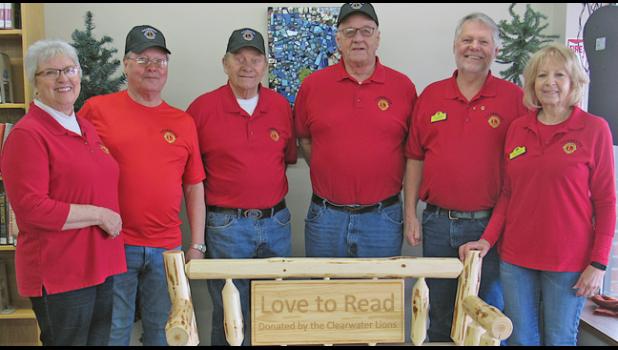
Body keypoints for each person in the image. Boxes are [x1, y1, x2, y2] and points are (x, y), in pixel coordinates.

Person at [460, 43, 616, 346]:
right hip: (516, 259)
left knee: (559, 339)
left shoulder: (595, 129)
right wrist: (487, 239)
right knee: (520, 339)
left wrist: (598, 264)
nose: (550, 82)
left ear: (574, 81)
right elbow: (508, 194)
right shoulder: (518, 128)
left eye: (559, 74)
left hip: (569, 261)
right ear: (532, 84)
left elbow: (607, 202)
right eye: (542, 75)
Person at [404, 13, 528, 342]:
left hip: (489, 228)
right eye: (467, 40)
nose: (474, 47)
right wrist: (409, 214)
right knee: (440, 313)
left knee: (486, 316)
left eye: (483, 41)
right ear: (455, 46)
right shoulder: (431, 96)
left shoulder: (514, 100)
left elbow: (524, 170)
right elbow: (415, 158)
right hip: (437, 223)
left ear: (496, 50)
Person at [79, 25, 206, 346]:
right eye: (142, 59)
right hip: (114, 242)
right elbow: (73, 169)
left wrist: (198, 245)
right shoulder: (96, 110)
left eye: (160, 61)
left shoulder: (183, 122)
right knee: (114, 332)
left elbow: (194, 187)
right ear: (125, 64)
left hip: (167, 248)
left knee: (164, 333)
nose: (152, 67)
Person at [0, 39, 126, 346]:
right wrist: (100, 215)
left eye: (69, 69)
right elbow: (32, 209)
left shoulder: (84, 127)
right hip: (62, 272)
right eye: (51, 72)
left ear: (79, 74)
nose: (63, 78)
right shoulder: (28, 135)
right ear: (34, 81)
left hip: (99, 264)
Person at [185, 27, 296, 346]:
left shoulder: (279, 107)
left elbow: (286, 157)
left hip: (276, 222)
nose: (247, 65)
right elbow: (192, 177)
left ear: (265, 65)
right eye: (239, 58)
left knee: (274, 308)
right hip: (226, 226)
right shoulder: (201, 109)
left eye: (255, 59)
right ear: (225, 63)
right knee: (228, 309)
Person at [295, 3, 417, 259]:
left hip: (383, 218)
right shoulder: (313, 86)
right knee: (324, 295)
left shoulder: (403, 87)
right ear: (338, 40)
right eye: (350, 32)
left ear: (378, 38)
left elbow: (412, 150)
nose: (358, 39)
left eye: (366, 31)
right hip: (326, 217)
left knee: (379, 296)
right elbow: (306, 140)